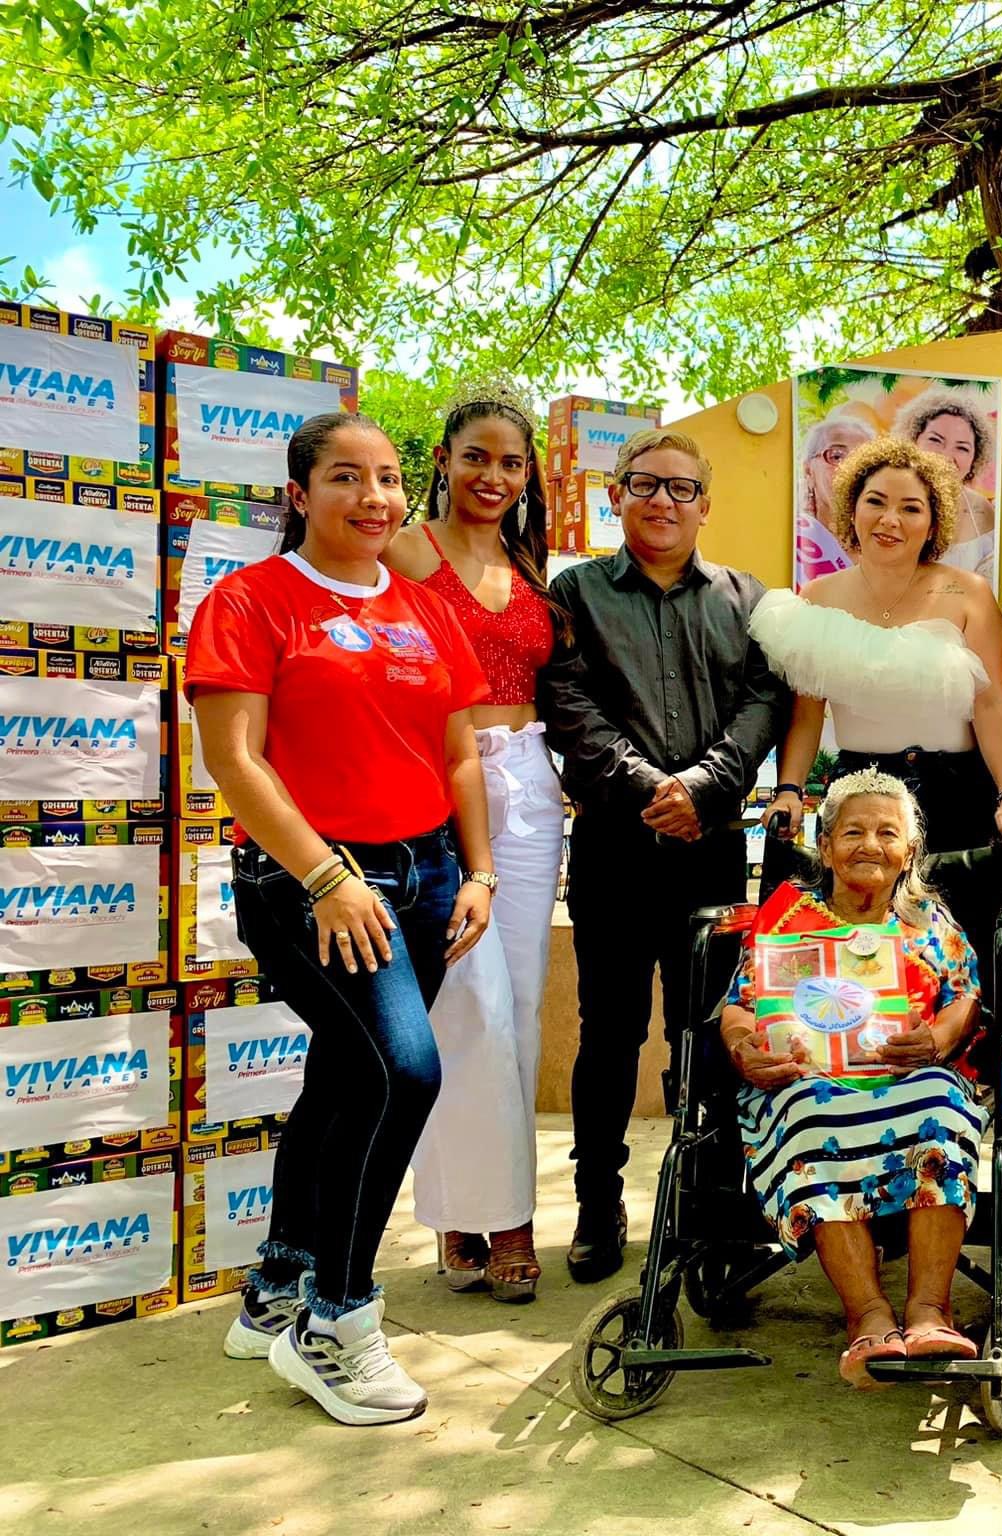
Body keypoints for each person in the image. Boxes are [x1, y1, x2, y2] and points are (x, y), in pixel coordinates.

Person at [189, 411, 494, 1426]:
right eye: (345, 477)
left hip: (427, 876)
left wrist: (479, 872)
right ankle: (336, 1323)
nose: (373, 497)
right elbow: (235, 760)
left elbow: (460, 753)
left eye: (388, 478)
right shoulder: (250, 600)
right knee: (402, 1072)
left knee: (345, 1075)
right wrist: (328, 877)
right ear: (298, 493)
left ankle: (277, 1285)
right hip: (313, 884)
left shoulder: (425, 609)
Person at [540, 425, 786, 1285]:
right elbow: (565, 701)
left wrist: (707, 788)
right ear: (616, 495)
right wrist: (654, 790)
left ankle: (704, 1215)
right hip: (613, 847)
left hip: (712, 852)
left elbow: (764, 701)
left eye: (683, 488)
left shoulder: (746, 600)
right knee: (609, 1035)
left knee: (708, 1037)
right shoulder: (574, 594)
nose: (663, 501)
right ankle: (597, 1203)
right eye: (645, 483)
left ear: (705, 505)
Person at [383, 387, 562, 1303]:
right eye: (476, 457)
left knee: (519, 1007)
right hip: (440, 785)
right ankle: (493, 1217)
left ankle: (485, 1208)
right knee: (469, 1006)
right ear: (443, 462)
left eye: (511, 462)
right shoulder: (406, 550)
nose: (493, 476)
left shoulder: (531, 564)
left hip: (529, 785)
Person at [719, 769, 985, 1386]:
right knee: (810, 1116)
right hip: (805, 1083)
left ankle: (930, 1311)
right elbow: (740, 1002)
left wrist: (939, 1039)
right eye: (853, 832)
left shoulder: (928, 921)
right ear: (826, 845)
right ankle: (867, 1316)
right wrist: (741, 1045)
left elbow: (965, 996)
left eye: (887, 833)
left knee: (942, 1105)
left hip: (908, 1078)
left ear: (909, 850)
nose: (870, 845)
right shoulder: (788, 918)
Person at [754, 436, 1002, 854]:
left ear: (933, 524)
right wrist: (789, 789)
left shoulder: (971, 593)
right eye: (876, 502)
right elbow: (806, 712)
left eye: (910, 508)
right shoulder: (817, 595)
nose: (890, 520)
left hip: (956, 794)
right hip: (856, 794)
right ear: (852, 509)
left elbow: (991, 702)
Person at [894, 387, 999, 588]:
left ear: (974, 458)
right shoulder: (889, 498)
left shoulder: (983, 509)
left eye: (962, 447)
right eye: (935, 440)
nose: (946, 455)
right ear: (913, 440)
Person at [794, 411, 875, 588]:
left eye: (863, 461)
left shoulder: (885, 548)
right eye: (837, 456)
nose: (850, 469)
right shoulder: (790, 538)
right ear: (808, 472)